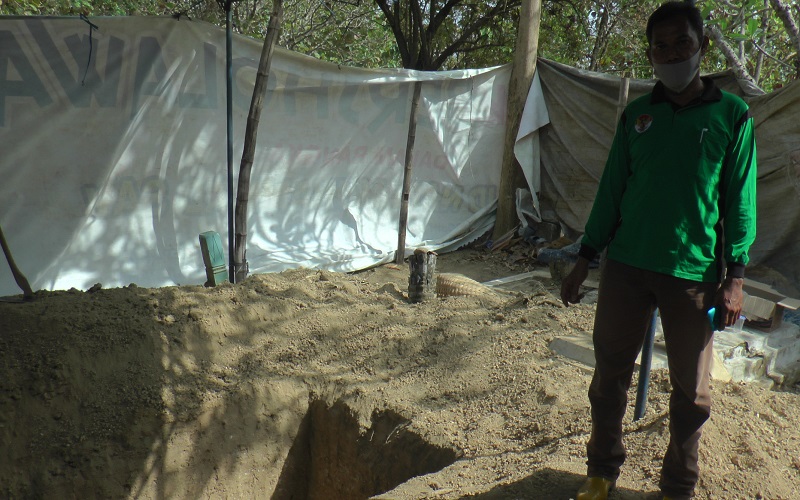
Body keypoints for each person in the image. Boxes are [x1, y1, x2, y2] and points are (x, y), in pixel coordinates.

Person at [560, 2, 757, 499]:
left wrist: (735, 277)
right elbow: (612, 190)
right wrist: (584, 257)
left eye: (681, 44)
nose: (672, 55)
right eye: (660, 46)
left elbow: (740, 199)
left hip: (694, 273)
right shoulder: (637, 115)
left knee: (692, 393)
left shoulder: (731, 116)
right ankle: (601, 473)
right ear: (650, 53)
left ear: (702, 47)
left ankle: (678, 488)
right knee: (608, 377)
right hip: (627, 266)